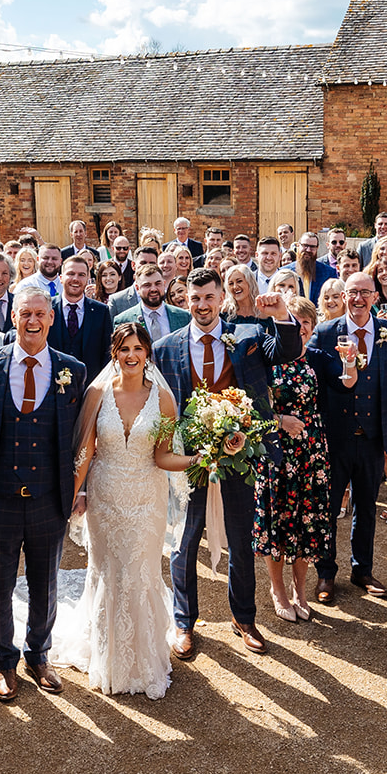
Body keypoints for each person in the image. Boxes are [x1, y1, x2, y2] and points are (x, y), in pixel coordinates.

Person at [154, 270, 300, 658]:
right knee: (185, 542)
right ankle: (184, 622)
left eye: (208, 298)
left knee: (240, 539)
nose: (202, 305)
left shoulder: (249, 337)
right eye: (194, 298)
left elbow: (287, 351)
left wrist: (282, 313)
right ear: (186, 300)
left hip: (241, 454)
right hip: (190, 459)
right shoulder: (165, 347)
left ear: (221, 299)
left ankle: (244, 618)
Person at [54, 323, 194, 699]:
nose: (131, 356)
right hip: (106, 496)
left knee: (140, 570)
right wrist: (73, 496)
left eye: (137, 348)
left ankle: (143, 659)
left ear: (148, 352)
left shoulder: (162, 398)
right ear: (114, 353)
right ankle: (109, 657)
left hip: (147, 497)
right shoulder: (98, 393)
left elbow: (163, 455)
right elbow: (84, 451)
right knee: (110, 571)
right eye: (123, 349)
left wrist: (201, 459)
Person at [0, 288, 86, 702]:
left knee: (45, 583)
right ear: (13, 317)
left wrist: (80, 488)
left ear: (51, 318)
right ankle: (4, 661)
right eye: (24, 314)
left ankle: (39, 654)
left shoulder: (73, 369)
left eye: (40, 314)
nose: (32, 321)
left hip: (47, 499)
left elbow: (80, 438)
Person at [308, 272, 387, 604]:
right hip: (336, 437)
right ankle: (325, 573)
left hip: (376, 435)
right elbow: (311, 376)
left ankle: (362, 570)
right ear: (344, 295)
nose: (358, 299)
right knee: (329, 507)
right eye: (352, 292)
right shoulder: (324, 332)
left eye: (365, 292)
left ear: (376, 297)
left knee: (366, 506)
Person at [256, 298, 335, 623]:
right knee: (278, 520)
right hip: (276, 451)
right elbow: (251, 408)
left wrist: (351, 369)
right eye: (294, 322)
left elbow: (346, 385)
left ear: (312, 328)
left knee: (307, 521)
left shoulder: (316, 360)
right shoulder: (265, 359)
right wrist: (280, 421)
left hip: (311, 450)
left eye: (305, 323)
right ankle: (278, 590)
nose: (300, 328)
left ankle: (300, 590)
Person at [52, 255, 113, 384]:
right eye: (71, 273)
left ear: (88, 279)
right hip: (51, 387)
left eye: (81, 275)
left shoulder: (101, 311)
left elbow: (107, 352)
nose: (76, 279)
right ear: (61, 278)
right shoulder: (47, 309)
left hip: (90, 387)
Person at [115, 265, 191, 342]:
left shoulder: (184, 317)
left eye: (158, 284)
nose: (153, 289)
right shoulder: (123, 321)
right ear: (137, 288)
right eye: (147, 285)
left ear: (164, 284)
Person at [292, 231, 336, 300]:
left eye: (312, 247)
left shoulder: (328, 273)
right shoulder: (286, 271)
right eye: (305, 245)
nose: (308, 250)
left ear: (317, 248)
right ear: (298, 245)